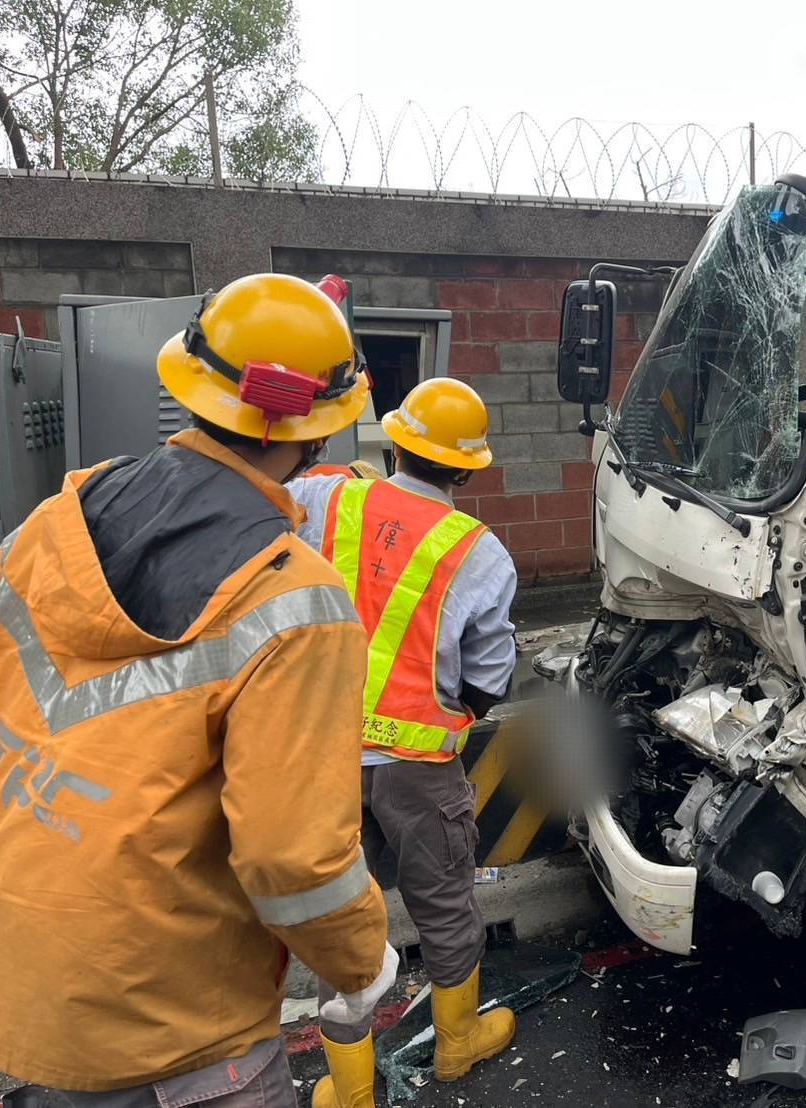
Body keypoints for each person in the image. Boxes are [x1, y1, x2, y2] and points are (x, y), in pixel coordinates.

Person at [0, 273, 398, 1105]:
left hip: (27, 985)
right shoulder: (294, 601)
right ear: (318, 433)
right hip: (177, 1028)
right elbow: (292, 860)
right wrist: (363, 962)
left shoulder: (57, 522)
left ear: (193, 387)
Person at [289, 376, 518, 1108]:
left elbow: (294, 495)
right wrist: (456, 708)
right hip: (418, 767)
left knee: (341, 915)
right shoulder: (479, 553)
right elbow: (489, 674)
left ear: (393, 442)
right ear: (466, 468)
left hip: (318, 757)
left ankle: (348, 1090)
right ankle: (456, 1046)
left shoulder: (330, 500)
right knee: (445, 903)